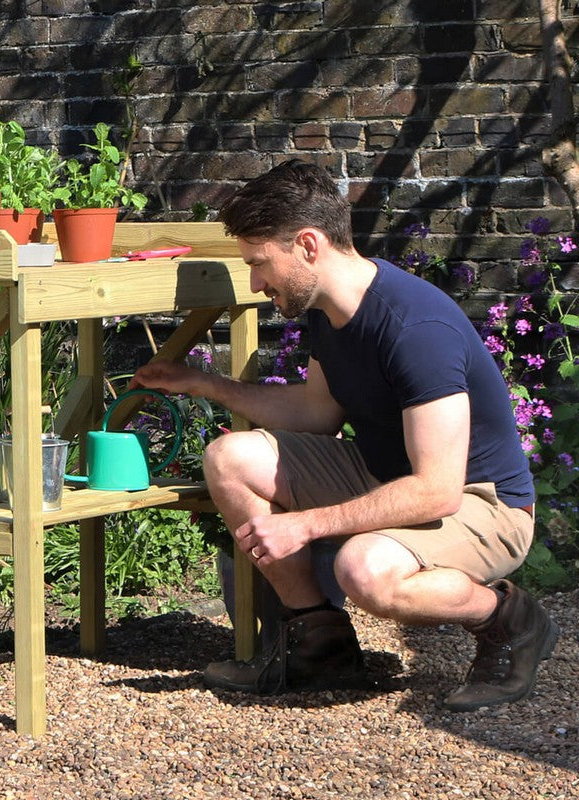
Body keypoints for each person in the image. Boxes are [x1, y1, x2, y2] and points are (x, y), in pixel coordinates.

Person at [131, 159, 560, 711]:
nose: (257, 284)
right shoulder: (329, 311)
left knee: (365, 570)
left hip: (483, 503)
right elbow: (316, 413)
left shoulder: (414, 330)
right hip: (387, 474)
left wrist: (304, 526)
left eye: (260, 264)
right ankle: (322, 642)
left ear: (308, 245)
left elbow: (438, 490)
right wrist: (202, 384)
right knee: (230, 458)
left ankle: (509, 620)